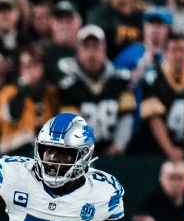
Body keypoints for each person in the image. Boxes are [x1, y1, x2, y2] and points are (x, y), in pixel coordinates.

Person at [57, 25, 136, 155]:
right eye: (86, 47)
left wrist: (118, 145)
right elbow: (71, 125)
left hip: (118, 155)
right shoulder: (68, 87)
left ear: (104, 49)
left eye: (96, 47)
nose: (91, 53)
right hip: (81, 155)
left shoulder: (121, 81)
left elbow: (126, 118)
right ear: (78, 51)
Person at [138, 34, 184, 160]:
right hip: (157, 152)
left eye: (182, 50)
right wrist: (169, 149)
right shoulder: (153, 80)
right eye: (174, 50)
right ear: (165, 53)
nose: (178, 55)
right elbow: (154, 119)